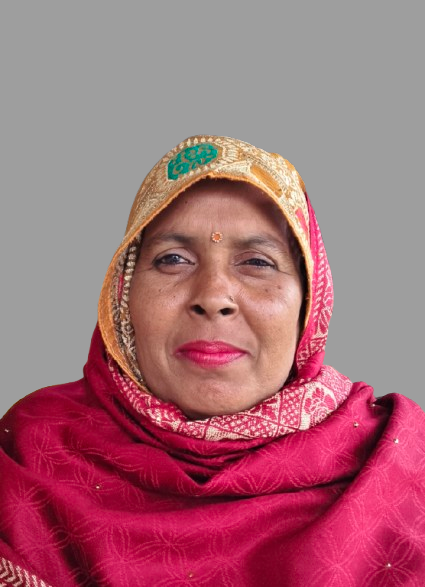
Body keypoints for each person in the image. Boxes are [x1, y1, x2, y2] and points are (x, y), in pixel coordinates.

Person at [1, 135, 424, 586]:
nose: (213, 296)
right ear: (124, 296)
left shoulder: (398, 459)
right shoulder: (30, 451)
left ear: (309, 301)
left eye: (257, 262)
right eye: (173, 259)